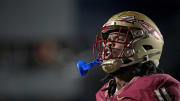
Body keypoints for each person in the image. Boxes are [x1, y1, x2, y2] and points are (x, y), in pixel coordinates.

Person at [91, 11, 180, 101]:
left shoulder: (157, 85)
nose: (109, 44)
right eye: (107, 41)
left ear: (146, 46)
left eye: (119, 39)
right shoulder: (103, 94)